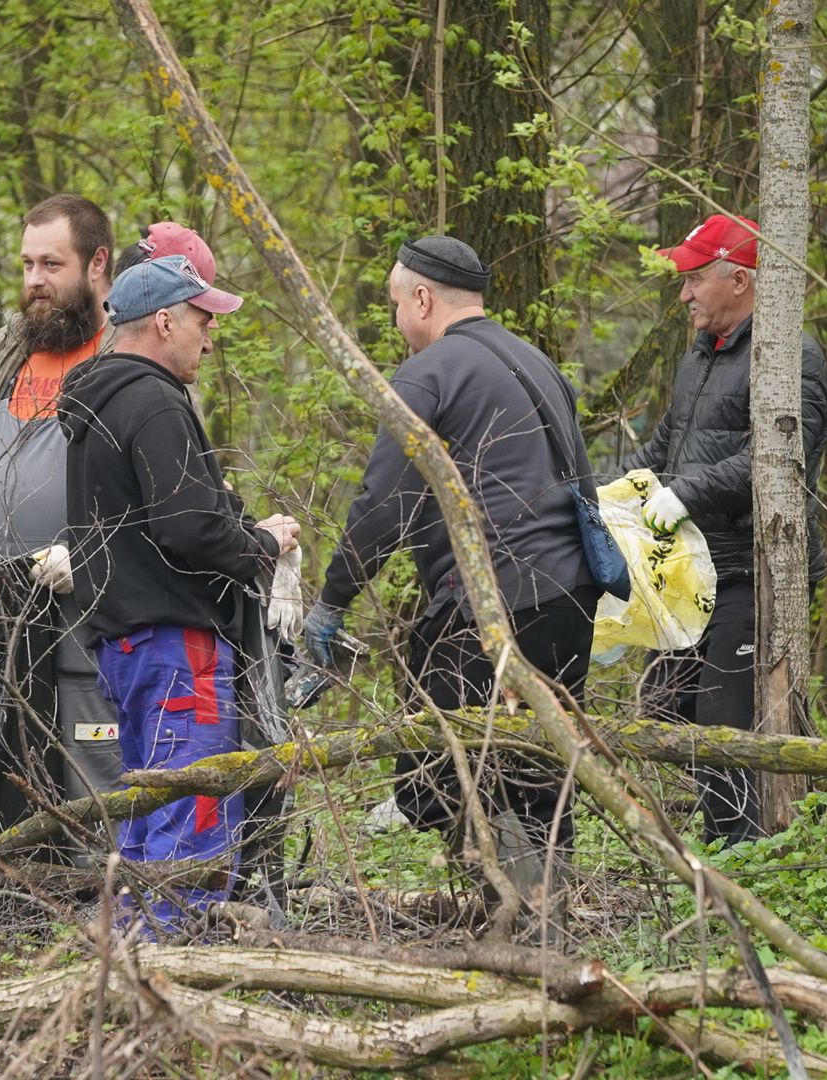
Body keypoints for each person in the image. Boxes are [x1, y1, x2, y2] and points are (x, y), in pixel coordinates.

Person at [301, 236, 602, 936]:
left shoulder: (428, 373)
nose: (397, 322)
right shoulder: (537, 363)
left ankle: (511, 921)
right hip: (569, 595)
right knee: (540, 772)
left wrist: (332, 599)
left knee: (431, 768)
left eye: (397, 305)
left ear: (424, 299)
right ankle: (540, 915)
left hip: (494, 605)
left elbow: (385, 502)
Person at [0, 199, 225, 850]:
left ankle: (110, 889)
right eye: (27, 264)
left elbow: (164, 486)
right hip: (4, 605)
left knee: (98, 757)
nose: (34, 279)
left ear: (97, 267)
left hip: (96, 603)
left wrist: (86, 548)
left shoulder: (132, 351)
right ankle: (12, 887)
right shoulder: (11, 344)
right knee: (6, 762)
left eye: (51, 265)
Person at [60, 255, 299, 936]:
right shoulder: (154, 398)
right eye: (201, 320)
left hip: (126, 641)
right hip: (174, 644)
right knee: (192, 804)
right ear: (164, 321)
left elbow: (160, 516)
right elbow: (188, 525)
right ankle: (172, 958)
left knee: (148, 800)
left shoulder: (99, 402)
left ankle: (133, 953)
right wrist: (261, 546)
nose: (210, 336)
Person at [623, 212, 827, 845]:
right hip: (694, 569)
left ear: (739, 280)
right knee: (665, 703)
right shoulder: (702, 354)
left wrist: (684, 493)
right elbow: (669, 440)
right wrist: (615, 494)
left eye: (694, 279)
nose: (683, 294)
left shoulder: (789, 355)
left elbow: (778, 458)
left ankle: (741, 859)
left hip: (753, 567)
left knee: (723, 719)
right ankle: (739, 833)